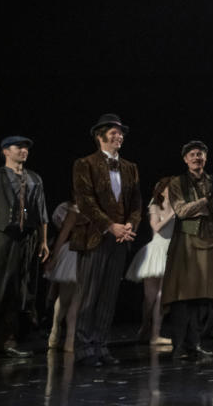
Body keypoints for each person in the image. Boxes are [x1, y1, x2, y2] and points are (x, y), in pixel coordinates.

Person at [71, 114, 141, 367]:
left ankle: (101, 346)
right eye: (113, 132)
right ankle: (83, 348)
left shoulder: (130, 167)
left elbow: (136, 203)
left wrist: (130, 225)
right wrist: (111, 226)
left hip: (121, 239)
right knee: (89, 295)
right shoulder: (85, 163)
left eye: (121, 132)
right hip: (95, 237)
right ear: (100, 136)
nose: (119, 136)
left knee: (109, 296)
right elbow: (85, 201)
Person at [160, 140, 213, 360]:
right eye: (192, 154)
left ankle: (195, 343)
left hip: (212, 241)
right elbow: (181, 211)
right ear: (185, 159)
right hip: (188, 242)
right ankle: (179, 345)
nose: (197, 158)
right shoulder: (177, 182)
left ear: (206, 158)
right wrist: (204, 202)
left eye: (200, 154)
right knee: (184, 296)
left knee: (207, 297)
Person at [0, 135, 49, 358]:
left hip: (26, 238)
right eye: (18, 147)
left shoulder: (34, 178)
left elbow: (42, 213)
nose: (23, 151)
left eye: (26, 147)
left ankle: (8, 339)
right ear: (6, 151)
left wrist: (44, 241)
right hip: (1, 237)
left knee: (18, 290)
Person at [124, 177, 175, 346]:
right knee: (149, 297)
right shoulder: (155, 205)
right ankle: (146, 326)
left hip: (171, 251)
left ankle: (156, 334)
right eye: (169, 187)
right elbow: (156, 227)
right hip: (156, 251)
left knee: (163, 294)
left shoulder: (179, 205)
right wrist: (172, 215)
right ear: (162, 190)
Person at [45, 201, 83, 353]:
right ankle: (56, 325)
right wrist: (54, 259)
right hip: (73, 253)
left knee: (77, 300)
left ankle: (70, 338)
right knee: (65, 298)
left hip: (89, 254)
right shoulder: (74, 209)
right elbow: (63, 234)